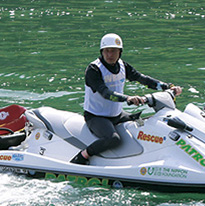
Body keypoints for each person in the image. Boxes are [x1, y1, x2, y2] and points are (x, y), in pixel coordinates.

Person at [71, 33, 183, 165]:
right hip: (96, 116)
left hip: (116, 114)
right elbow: (105, 93)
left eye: (113, 51)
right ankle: (83, 156)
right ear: (102, 52)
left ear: (120, 52)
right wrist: (128, 98)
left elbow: (142, 79)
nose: (110, 55)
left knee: (144, 121)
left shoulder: (123, 66)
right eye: (106, 51)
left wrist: (167, 86)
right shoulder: (93, 69)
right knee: (113, 139)